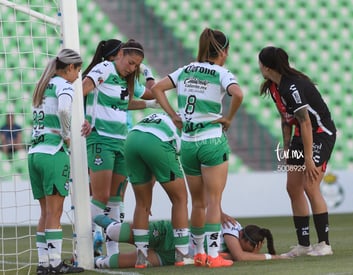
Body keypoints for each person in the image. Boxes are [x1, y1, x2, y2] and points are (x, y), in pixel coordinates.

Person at [151, 27, 244, 268]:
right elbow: (238, 94)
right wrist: (229, 118)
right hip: (212, 140)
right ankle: (214, 255)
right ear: (223, 51)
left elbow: (156, 89)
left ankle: (199, 252)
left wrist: (173, 115)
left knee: (198, 202)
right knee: (214, 201)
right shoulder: (221, 72)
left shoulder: (185, 70)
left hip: (189, 143)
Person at [258, 46, 336, 257]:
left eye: (259, 64)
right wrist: (286, 149)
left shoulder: (292, 86)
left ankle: (324, 244)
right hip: (300, 137)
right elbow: (286, 119)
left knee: (310, 185)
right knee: (293, 188)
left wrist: (308, 159)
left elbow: (306, 123)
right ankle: (304, 245)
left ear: (266, 66)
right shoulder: (274, 87)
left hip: (320, 133)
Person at [82, 38, 157, 257]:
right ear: (121, 53)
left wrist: (148, 74)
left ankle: (111, 251)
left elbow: (152, 93)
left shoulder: (128, 80)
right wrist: (81, 119)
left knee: (116, 199)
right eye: (130, 63)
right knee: (101, 196)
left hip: (121, 141)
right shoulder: (104, 68)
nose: (132, 68)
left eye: (136, 65)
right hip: (100, 140)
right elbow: (81, 90)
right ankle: (86, 245)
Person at [28, 48, 84, 274]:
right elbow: (63, 109)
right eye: (78, 70)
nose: (78, 76)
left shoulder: (43, 85)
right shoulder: (63, 85)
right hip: (53, 151)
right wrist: (67, 134)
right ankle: (55, 263)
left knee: (45, 212)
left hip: (34, 153)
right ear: (69, 68)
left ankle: (44, 264)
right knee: (55, 212)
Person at [92, 214, 288, 268]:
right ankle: (100, 219)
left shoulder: (234, 248)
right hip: (172, 234)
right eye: (252, 248)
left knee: (126, 262)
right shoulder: (233, 227)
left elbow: (236, 255)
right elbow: (240, 255)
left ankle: (96, 261)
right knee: (118, 232)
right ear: (251, 242)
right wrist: (273, 257)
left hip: (174, 255)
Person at [124, 112, 190, 267]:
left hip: (132, 139)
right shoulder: (193, 125)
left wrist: (149, 191)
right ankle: (181, 255)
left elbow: (151, 165)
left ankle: (141, 257)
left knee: (142, 204)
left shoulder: (166, 113)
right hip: (158, 141)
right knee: (180, 199)